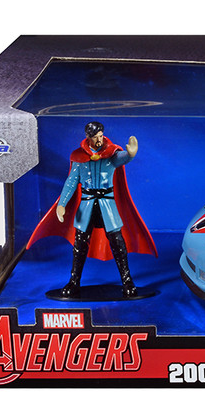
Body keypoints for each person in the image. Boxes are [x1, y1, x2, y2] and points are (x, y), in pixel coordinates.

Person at [28, 121, 157, 298]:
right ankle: (74, 282)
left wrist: (131, 154)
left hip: (107, 204)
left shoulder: (111, 154)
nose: (99, 140)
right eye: (95, 137)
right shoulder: (78, 157)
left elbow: (122, 158)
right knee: (79, 245)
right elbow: (71, 181)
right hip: (87, 204)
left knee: (118, 243)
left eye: (101, 136)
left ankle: (127, 282)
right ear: (88, 137)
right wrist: (62, 204)